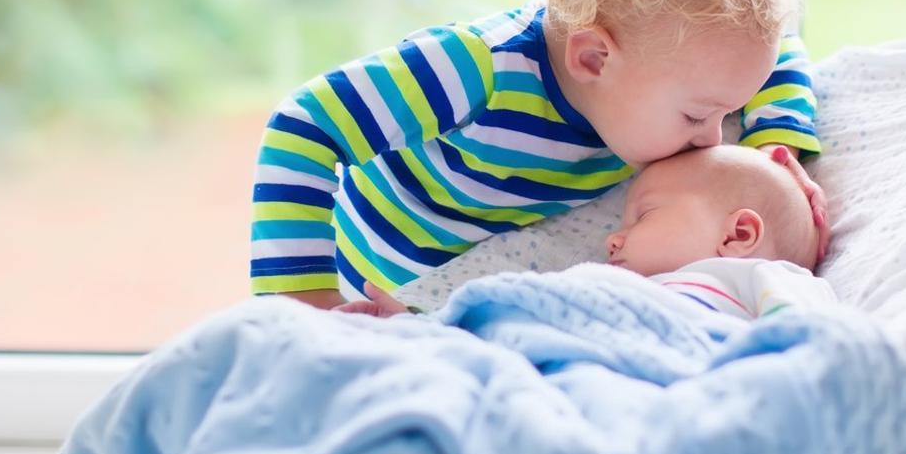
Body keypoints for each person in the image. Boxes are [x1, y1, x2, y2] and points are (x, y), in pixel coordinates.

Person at [251, 0, 829, 310]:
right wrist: (306, 301)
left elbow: (774, 52)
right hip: (367, 282)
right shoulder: (476, 70)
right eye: (697, 115)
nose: (712, 139)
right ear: (595, 59)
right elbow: (302, 127)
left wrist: (773, 156)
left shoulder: (671, 64)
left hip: (452, 302)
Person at [338, 144, 837, 321]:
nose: (611, 240)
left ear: (738, 235)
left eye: (642, 217)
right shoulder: (603, 286)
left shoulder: (762, 281)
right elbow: (516, 321)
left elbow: (820, 349)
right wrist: (422, 327)